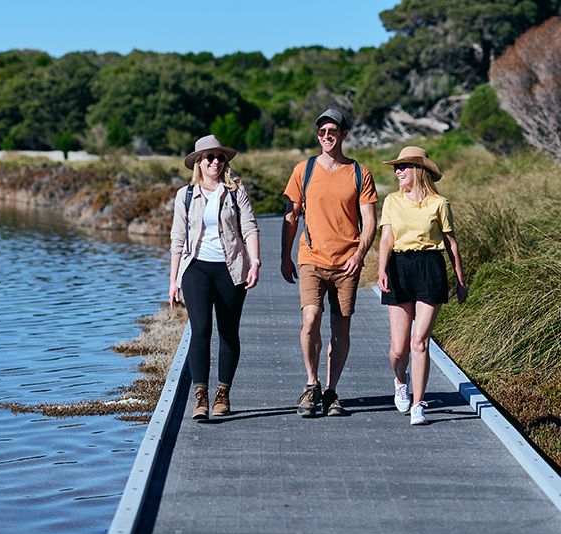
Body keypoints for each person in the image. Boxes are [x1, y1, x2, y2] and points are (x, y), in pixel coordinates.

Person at [281, 108, 377, 418]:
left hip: (347, 262)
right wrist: (285, 256)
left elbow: (370, 222)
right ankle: (312, 385)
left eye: (332, 131)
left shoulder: (359, 173)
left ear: (343, 134)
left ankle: (331, 391)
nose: (326, 136)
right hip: (311, 258)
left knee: (341, 330)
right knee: (310, 320)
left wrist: (359, 256)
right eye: (322, 132)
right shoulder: (304, 170)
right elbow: (291, 215)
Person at [169, 134, 261, 421]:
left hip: (231, 268)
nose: (215, 162)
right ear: (199, 161)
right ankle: (200, 396)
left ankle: (222, 393)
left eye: (220, 157)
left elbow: (249, 228)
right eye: (209, 157)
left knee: (228, 331)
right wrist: (173, 281)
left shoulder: (235, 191)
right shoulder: (185, 195)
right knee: (201, 329)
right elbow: (178, 238)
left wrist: (255, 262)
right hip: (196, 268)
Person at [376, 146, 465, 426]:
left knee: (419, 341)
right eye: (396, 167)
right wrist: (381, 269)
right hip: (399, 267)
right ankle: (400, 380)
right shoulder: (392, 201)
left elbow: (451, 243)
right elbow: (387, 239)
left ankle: (418, 404)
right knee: (399, 348)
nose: (397, 172)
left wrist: (461, 281)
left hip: (430, 266)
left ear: (418, 170)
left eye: (403, 167)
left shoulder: (440, 203)